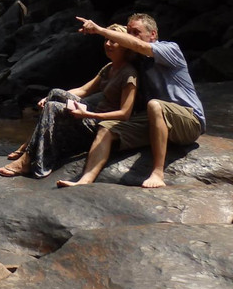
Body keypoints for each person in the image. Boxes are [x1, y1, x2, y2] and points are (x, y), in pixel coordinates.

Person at [58, 12, 205, 189]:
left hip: (188, 119)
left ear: (153, 35)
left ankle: (157, 173)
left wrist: (99, 30)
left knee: (155, 105)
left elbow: (140, 46)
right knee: (107, 128)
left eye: (136, 32)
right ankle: (84, 180)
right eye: (128, 32)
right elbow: (95, 86)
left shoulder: (170, 49)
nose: (130, 37)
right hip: (154, 119)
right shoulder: (137, 64)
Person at [0, 25, 139, 178]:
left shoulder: (129, 74)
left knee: (53, 108)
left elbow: (125, 114)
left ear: (125, 46)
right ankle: (29, 144)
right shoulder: (109, 68)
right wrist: (49, 97)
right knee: (55, 94)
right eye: (106, 40)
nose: (107, 44)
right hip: (92, 114)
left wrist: (87, 114)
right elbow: (83, 91)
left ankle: (27, 159)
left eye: (113, 41)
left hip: (101, 124)